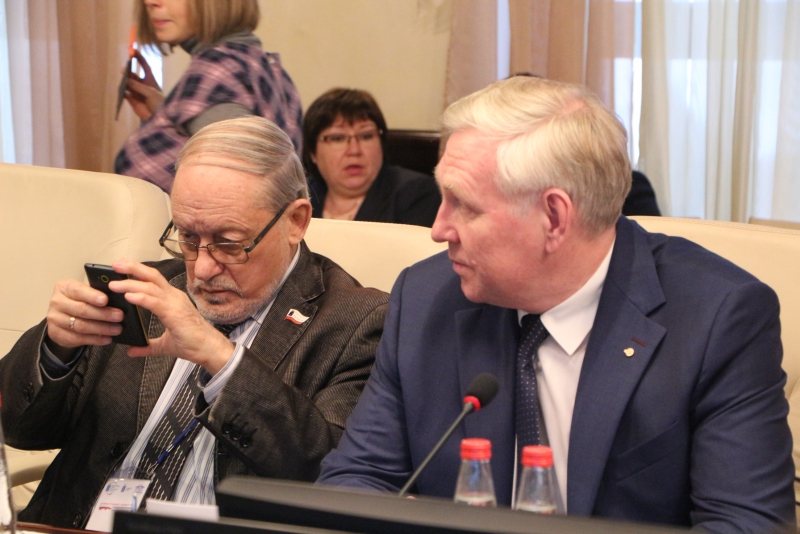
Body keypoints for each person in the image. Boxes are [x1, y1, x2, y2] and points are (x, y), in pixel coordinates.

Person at [317, 77, 795, 531]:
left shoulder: (717, 317)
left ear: (553, 216)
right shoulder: (425, 300)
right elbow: (356, 482)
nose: (439, 229)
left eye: (464, 205)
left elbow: (745, 523)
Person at [1, 116, 387, 529]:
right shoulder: (146, 290)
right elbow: (19, 430)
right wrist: (56, 349)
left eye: (229, 244)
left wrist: (221, 359)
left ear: (296, 221)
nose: (201, 269)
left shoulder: (357, 322)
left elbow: (329, 473)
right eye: (187, 237)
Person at [114, 0, 302, 193]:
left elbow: (236, 187)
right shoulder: (256, 63)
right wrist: (162, 115)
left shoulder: (217, 70)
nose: (150, 2)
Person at [302, 88, 441, 227]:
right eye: (337, 138)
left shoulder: (416, 194)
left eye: (366, 136)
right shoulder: (300, 196)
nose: (354, 150)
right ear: (312, 152)